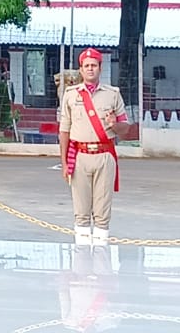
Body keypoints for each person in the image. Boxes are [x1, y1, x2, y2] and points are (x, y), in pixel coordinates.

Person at [59, 48, 130, 248]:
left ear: (100, 68)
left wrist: (114, 124)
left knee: (102, 213)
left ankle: (101, 257)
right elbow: (64, 131)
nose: (90, 69)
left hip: (104, 156)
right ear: (81, 70)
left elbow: (125, 129)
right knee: (81, 213)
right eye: (87, 66)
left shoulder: (112, 94)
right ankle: (81, 258)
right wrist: (64, 163)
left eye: (94, 65)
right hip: (79, 157)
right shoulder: (70, 95)